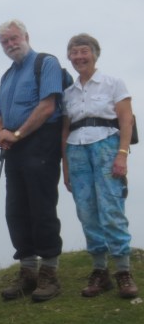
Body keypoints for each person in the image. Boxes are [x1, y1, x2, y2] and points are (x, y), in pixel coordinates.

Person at [0, 19, 66, 302]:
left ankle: (49, 272)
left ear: (26, 36)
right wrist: (1, 134)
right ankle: (27, 272)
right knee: (16, 210)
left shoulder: (46, 63)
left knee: (41, 206)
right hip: (13, 148)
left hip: (40, 143)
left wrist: (18, 133)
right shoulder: (7, 75)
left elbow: (48, 106)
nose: (10, 45)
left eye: (14, 38)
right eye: (5, 42)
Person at [62, 33, 138, 299]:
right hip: (76, 149)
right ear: (69, 57)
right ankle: (99, 271)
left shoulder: (113, 83)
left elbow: (126, 120)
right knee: (86, 210)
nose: (79, 57)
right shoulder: (68, 93)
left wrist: (122, 154)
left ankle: (123, 271)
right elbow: (65, 129)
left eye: (84, 52)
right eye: (74, 53)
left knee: (111, 206)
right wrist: (66, 166)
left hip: (107, 144)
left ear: (95, 54)